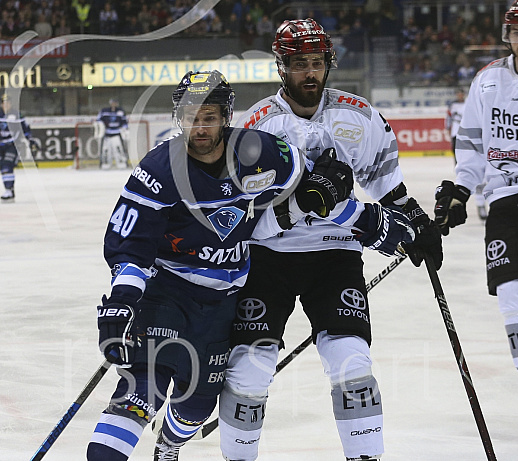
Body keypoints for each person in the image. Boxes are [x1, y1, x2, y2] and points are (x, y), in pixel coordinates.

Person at [86, 70, 414, 461]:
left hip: (224, 304)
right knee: (141, 392)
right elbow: (130, 245)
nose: (199, 126)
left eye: (209, 116)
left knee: (195, 408)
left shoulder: (261, 151)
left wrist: (374, 224)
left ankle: (169, 445)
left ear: (226, 116)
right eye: (191, 115)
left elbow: (315, 196)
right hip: (169, 294)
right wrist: (122, 299)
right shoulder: (159, 168)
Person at [215, 19, 443, 461]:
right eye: (299, 64)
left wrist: (415, 221)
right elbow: (242, 208)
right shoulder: (259, 124)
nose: (310, 74)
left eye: (316, 63)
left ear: (328, 63)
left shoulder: (358, 115)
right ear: (282, 67)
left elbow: (386, 185)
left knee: (352, 361)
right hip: (269, 257)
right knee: (249, 369)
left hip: (336, 254)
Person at [434, 0, 518, 448]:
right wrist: (461, 189)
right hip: (508, 200)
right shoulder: (487, 80)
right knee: (514, 299)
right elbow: (472, 141)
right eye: (517, 32)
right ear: (506, 35)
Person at [446, 88, 487, 220]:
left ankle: (483, 202)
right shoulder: (452, 106)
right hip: (457, 136)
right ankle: (478, 200)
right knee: (466, 167)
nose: (459, 95)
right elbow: (448, 120)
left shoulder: (471, 104)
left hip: (472, 138)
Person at [0, 93, 34, 202]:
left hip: (13, 145)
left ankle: (8, 190)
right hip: (0, 146)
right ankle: (10, 190)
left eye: (8, 103)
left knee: (7, 166)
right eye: (4, 103)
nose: (6, 105)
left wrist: (30, 140)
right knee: (3, 168)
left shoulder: (17, 115)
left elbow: (25, 129)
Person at [97, 99, 129, 169]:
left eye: (115, 103)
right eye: (112, 103)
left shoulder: (121, 111)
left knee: (119, 149)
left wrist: (125, 130)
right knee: (106, 150)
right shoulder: (104, 111)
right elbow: (98, 120)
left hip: (117, 133)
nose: (114, 104)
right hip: (107, 134)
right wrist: (101, 128)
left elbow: (124, 122)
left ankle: (122, 162)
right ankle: (105, 163)